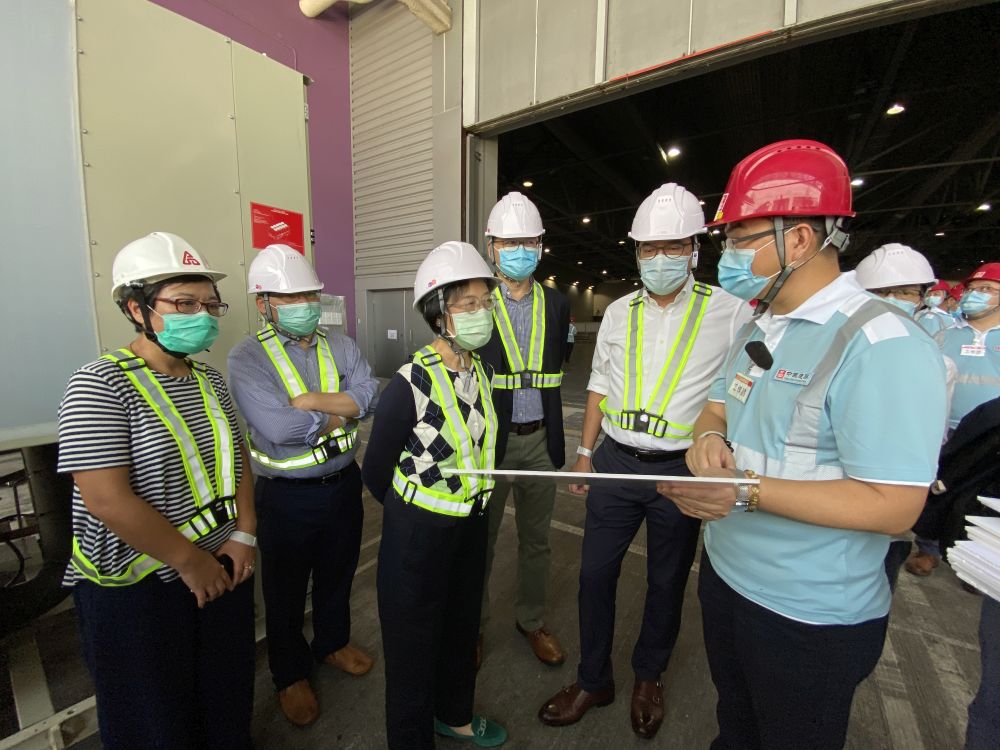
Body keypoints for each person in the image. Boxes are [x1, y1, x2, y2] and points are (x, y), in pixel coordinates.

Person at [658, 140, 947, 750]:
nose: (729, 254)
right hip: (727, 578)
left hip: (807, 615)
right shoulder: (760, 324)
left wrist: (745, 490)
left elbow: (894, 504)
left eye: (742, 237)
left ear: (798, 240)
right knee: (735, 726)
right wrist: (706, 441)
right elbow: (715, 408)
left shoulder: (881, 343)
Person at [536, 183, 751, 738]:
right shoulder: (616, 313)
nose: (660, 259)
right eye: (649, 249)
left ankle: (648, 676)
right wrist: (585, 454)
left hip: (679, 470)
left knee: (665, 581)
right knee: (594, 575)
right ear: (636, 253)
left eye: (673, 247)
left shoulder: (730, 314)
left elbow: (738, 391)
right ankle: (593, 678)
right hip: (613, 460)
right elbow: (600, 386)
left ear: (695, 249)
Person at [57, 232, 256, 749]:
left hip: (224, 567)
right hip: (141, 590)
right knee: (154, 720)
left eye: (209, 304)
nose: (203, 315)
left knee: (225, 697)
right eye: (184, 303)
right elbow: (106, 499)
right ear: (134, 307)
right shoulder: (98, 384)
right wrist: (190, 563)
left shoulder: (209, 380)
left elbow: (238, 462)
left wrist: (245, 536)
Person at [362, 241, 508, 749]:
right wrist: (416, 511)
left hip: (471, 526)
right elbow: (376, 470)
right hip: (417, 535)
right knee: (411, 643)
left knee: (461, 627)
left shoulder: (485, 374)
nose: (480, 312)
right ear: (438, 311)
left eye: (484, 302)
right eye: (466, 303)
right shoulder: (408, 383)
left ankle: (455, 715)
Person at [227, 244, 378, 726]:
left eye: (309, 293)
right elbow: (279, 430)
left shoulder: (342, 343)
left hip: (342, 484)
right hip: (285, 496)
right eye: (289, 296)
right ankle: (289, 674)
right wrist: (339, 408)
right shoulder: (247, 356)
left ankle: (331, 643)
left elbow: (369, 396)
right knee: (286, 591)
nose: (304, 304)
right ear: (263, 304)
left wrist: (309, 401)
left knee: (338, 574)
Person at [478, 192, 570, 667]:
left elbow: (560, 360)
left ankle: (530, 620)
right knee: (481, 540)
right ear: (492, 247)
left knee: (537, 541)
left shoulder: (556, 304)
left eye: (529, 241)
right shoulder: (476, 302)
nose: (520, 249)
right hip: (489, 441)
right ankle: (472, 627)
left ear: (540, 245)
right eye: (510, 242)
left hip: (540, 439)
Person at [854, 243, 956, 587]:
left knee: (875, 573)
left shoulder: (936, 361)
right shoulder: (843, 350)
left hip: (891, 491)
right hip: (842, 485)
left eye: (905, 292)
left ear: (922, 297)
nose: (893, 299)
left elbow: (931, 438)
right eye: (882, 292)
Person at [906, 262, 1000, 577]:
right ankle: (928, 547)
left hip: (990, 433)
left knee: (983, 495)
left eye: (986, 290)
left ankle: (978, 557)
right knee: (938, 487)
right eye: (973, 288)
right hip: (946, 426)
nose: (975, 295)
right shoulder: (946, 332)